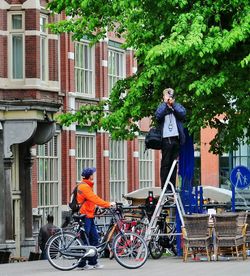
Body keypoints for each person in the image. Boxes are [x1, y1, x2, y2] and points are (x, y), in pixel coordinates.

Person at [76, 167, 115, 270]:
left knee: (95, 238)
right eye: (93, 174)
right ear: (90, 176)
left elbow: (90, 200)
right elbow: (94, 198)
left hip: (89, 216)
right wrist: (108, 204)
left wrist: (96, 208)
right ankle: (81, 263)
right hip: (85, 217)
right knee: (85, 240)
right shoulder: (84, 187)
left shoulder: (86, 186)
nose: (94, 175)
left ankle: (93, 262)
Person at [155, 88, 186, 190]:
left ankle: (172, 186)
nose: (169, 98)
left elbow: (183, 113)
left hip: (176, 139)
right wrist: (165, 104)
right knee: (165, 164)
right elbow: (158, 116)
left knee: (173, 165)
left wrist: (173, 105)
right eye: (167, 96)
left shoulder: (177, 106)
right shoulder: (161, 107)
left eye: (171, 96)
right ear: (163, 97)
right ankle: (165, 187)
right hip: (165, 139)